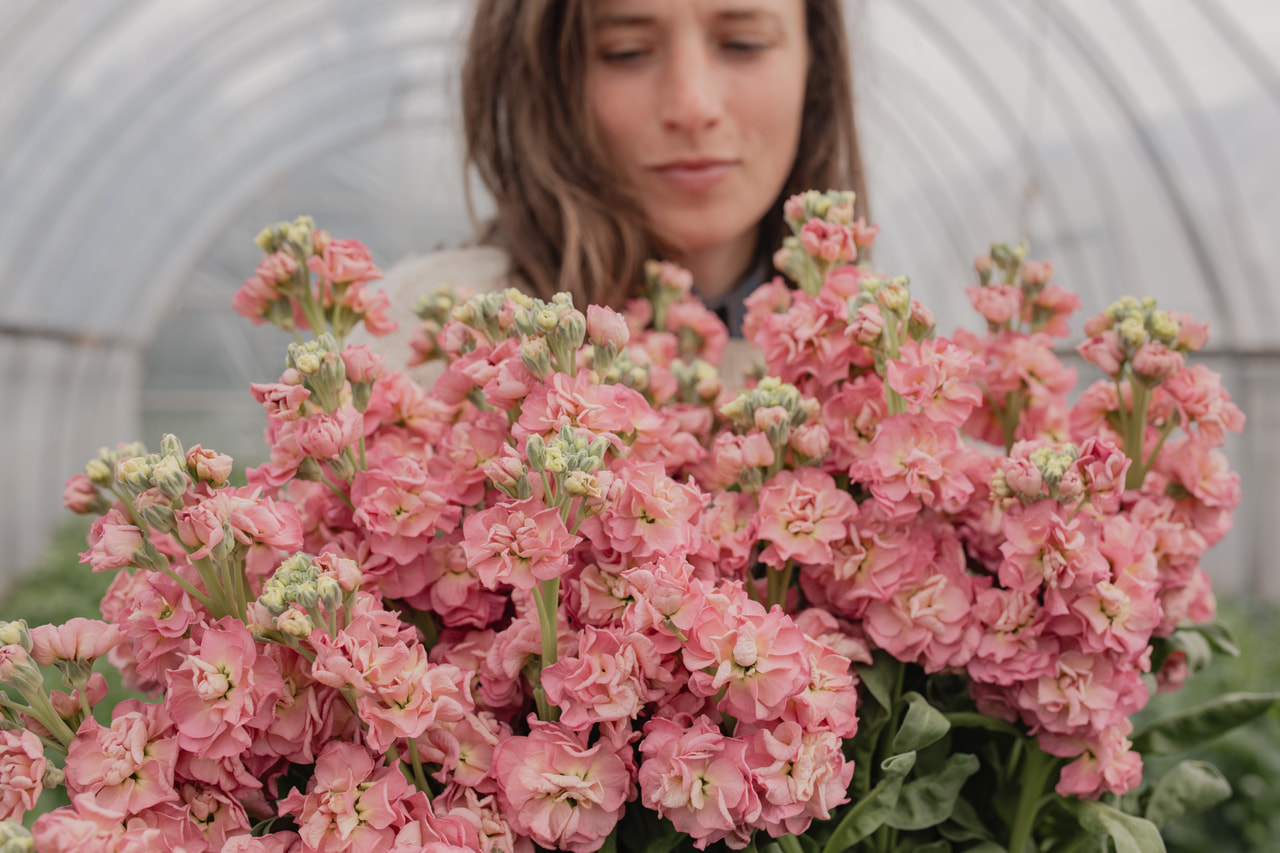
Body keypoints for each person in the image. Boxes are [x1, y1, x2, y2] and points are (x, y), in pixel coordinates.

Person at [371, 0, 868, 377]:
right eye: (625, 53)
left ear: (814, 62)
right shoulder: (430, 338)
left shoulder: (877, 347)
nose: (694, 107)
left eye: (743, 43)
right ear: (544, 79)